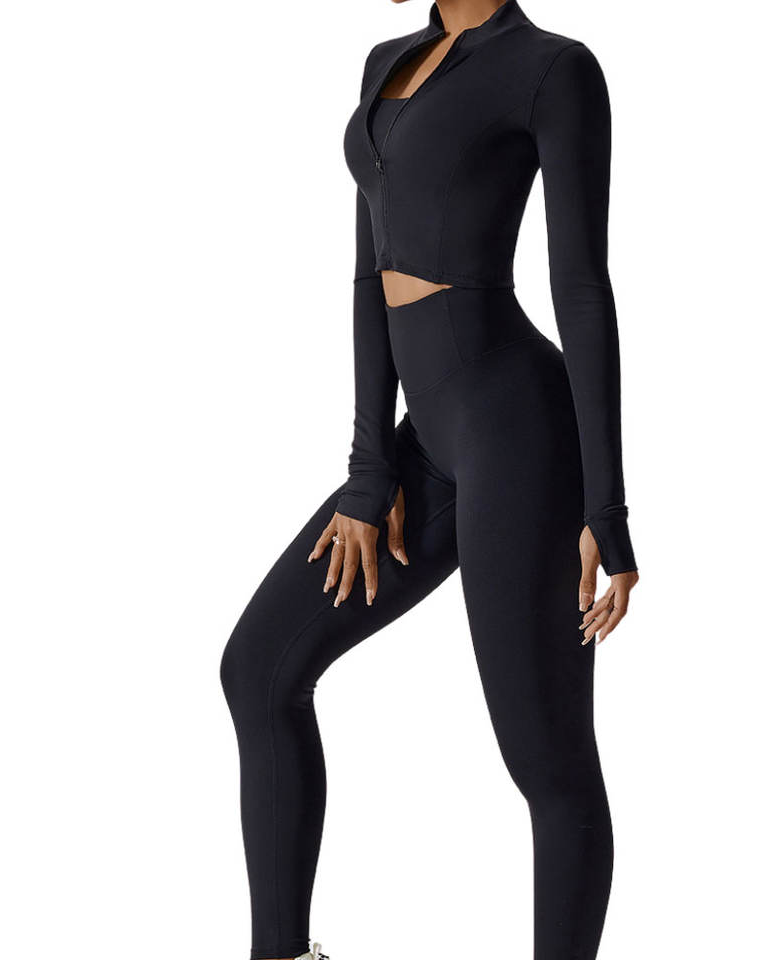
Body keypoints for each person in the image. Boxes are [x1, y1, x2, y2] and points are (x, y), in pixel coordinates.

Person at [220, 2, 640, 958]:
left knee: (547, 763)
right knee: (260, 670)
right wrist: (370, 475)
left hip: (521, 437)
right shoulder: (387, 61)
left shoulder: (553, 67)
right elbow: (368, 275)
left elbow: (582, 286)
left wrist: (605, 505)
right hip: (427, 440)